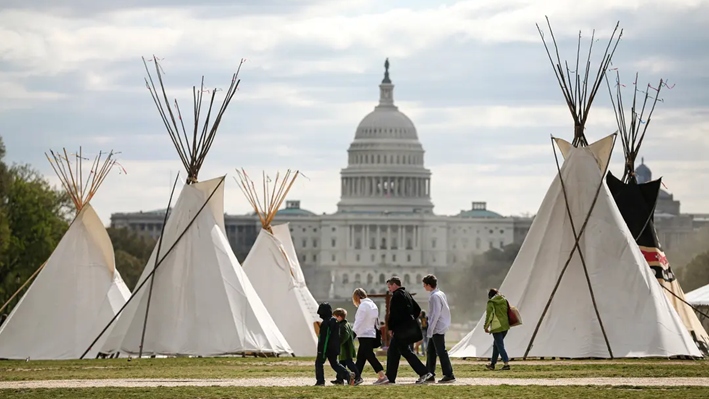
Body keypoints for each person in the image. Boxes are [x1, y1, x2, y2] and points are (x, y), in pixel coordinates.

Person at [378, 276, 434, 385]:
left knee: (404, 352)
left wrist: (391, 327)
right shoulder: (407, 294)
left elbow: (393, 314)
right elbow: (417, 310)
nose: (389, 289)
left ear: (394, 285)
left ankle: (424, 373)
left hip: (401, 330)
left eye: (390, 286)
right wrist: (410, 319)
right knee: (394, 351)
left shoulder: (397, 295)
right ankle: (390, 377)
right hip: (407, 329)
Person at [422, 274, 456, 383]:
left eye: (424, 285)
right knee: (431, 351)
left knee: (441, 351)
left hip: (437, 327)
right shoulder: (440, 294)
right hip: (440, 325)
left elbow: (435, 314)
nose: (424, 287)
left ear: (428, 285)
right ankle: (430, 374)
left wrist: (430, 328)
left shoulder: (434, 296)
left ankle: (449, 374)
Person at [314, 302, 355, 386]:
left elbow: (324, 338)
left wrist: (322, 351)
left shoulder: (326, 323)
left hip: (326, 348)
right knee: (334, 364)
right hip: (335, 347)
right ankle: (348, 375)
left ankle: (320, 381)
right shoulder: (334, 321)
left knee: (319, 363)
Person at [351, 288, 386, 384]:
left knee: (369, 355)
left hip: (363, 333)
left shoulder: (363, 306)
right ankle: (357, 377)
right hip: (371, 333)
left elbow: (359, 321)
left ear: (357, 297)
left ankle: (382, 375)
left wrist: (353, 332)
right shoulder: (373, 305)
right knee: (361, 357)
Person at [332, 308, 361, 385]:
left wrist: (338, 342)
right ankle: (339, 379)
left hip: (346, 349)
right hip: (344, 349)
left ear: (339, 317)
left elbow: (344, 336)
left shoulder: (343, 326)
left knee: (349, 363)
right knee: (342, 364)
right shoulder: (346, 324)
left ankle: (358, 377)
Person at [484, 288, 511, 370]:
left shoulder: (491, 302)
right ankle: (492, 364)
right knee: (496, 345)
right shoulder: (504, 300)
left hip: (496, 327)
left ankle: (506, 364)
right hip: (505, 326)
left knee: (499, 345)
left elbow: (489, 315)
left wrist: (486, 326)